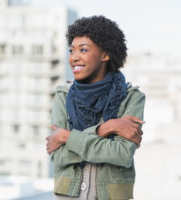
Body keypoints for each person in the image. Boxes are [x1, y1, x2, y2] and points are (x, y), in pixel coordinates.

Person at [46, 15, 145, 200]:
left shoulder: (132, 97)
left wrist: (68, 137)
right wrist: (106, 128)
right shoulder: (63, 95)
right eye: (71, 50)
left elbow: (122, 154)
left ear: (105, 54)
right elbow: (58, 156)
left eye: (83, 50)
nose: (74, 57)